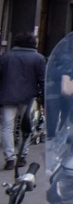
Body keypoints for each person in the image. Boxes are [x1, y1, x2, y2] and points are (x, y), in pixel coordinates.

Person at [0, 33, 46, 169]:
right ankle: (22, 156)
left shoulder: (6, 57)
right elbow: (42, 80)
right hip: (28, 98)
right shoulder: (38, 58)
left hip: (7, 96)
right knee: (26, 127)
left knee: (7, 127)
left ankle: (9, 158)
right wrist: (44, 101)